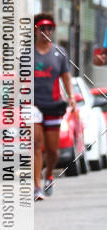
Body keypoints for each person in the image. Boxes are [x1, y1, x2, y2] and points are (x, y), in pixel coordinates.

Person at [33, 12, 75, 201]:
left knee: (53, 151)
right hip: (33, 105)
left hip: (53, 105)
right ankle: (36, 188)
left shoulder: (59, 53)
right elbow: (18, 80)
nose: (46, 31)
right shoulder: (26, 54)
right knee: (35, 145)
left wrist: (71, 96)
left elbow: (66, 77)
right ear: (36, 30)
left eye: (50, 28)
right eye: (42, 28)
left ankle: (49, 174)